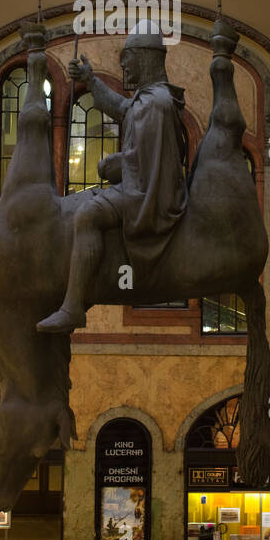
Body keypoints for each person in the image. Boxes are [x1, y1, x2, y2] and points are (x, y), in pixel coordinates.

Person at [37, 20, 188, 333]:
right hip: (142, 181)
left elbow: (149, 165)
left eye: (128, 60)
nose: (124, 67)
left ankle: (73, 307)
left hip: (149, 193)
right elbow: (123, 109)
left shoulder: (156, 103)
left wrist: (117, 164)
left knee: (87, 216)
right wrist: (91, 81)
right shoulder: (150, 99)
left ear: (145, 58)